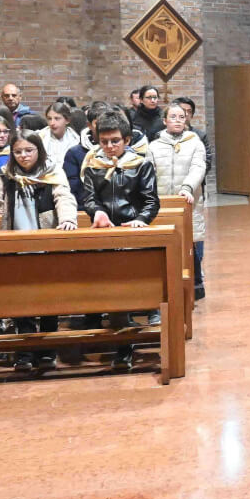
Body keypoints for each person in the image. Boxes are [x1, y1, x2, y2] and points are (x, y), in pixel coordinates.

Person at [0, 130, 79, 372]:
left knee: (48, 300)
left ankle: (47, 351)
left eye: (29, 150)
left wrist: (67, 219)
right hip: (17, 245)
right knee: (21, 301)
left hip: (46, 246)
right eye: (18, 151)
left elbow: (64, 197)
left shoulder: (52, 171)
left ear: (39, 151)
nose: (24, 156)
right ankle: (24, 352)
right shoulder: (6, 174)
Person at [78, 112, 159, 371]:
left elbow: (151, 201)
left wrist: (141, 220)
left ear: (126, 140)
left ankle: (131, 338)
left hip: (132, 233)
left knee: (128, 289)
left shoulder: (141, 164)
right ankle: (122, 345)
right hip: (105, 233)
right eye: (104, 142)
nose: (109, 146)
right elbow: (89, 198)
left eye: (115, 141)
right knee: (114, 291)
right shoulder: (93, 165)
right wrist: (96, 212)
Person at [147, 103, 209, 301]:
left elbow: (198, 167)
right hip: (162, 203)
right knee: (166, 244)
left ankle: (195, 284)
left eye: (181, 117)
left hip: (188, 201)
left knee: (191, 243)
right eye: (173, 117)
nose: (177, 121)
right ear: (165, 121)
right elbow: (149, 172)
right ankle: (167, 286)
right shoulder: (154, 146)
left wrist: (187, 187)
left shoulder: (195, 143)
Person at [38, 102, 79, 169]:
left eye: (57, 118)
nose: (52, 123)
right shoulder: (39, 138)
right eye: (49, 119)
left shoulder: (76, 140)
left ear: (67, 120)